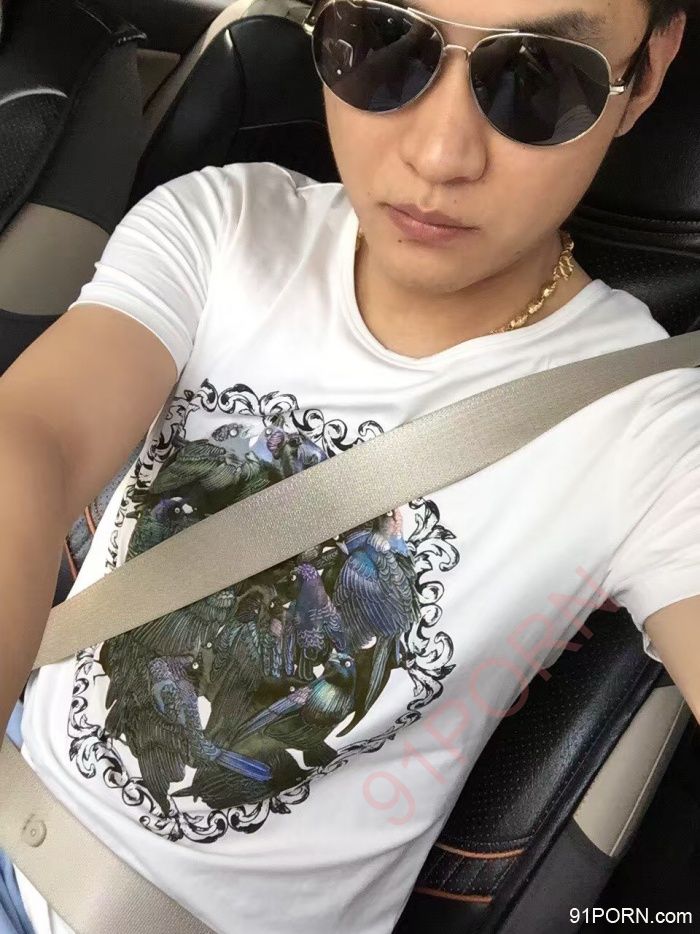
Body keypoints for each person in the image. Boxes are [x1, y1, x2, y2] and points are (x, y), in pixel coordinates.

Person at [0, 0, 698, 932]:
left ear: (647, 72)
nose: (441, 155)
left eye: (541, 78)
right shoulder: (225, 225)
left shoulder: (650, 424)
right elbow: (31, 440)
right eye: (384, 40)